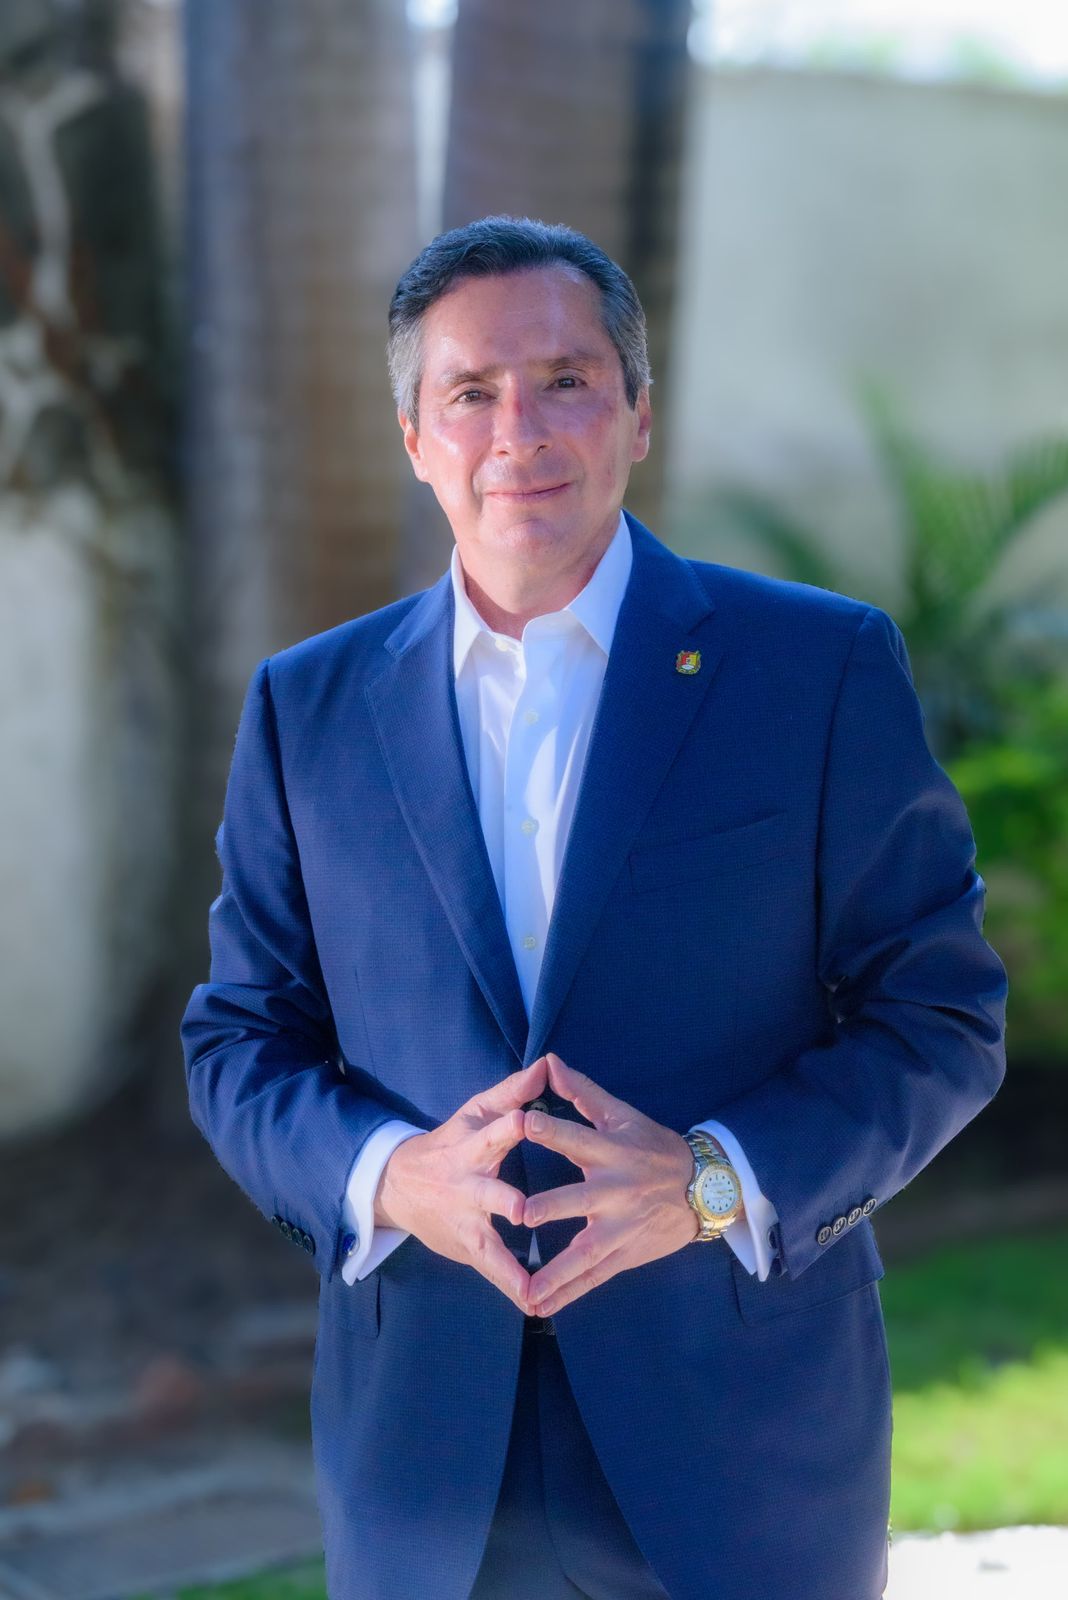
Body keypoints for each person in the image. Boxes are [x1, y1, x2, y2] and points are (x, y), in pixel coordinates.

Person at [180, 216, 1007, 1600]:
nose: (520, 431)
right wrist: (391, 1177)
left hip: (743, 1442)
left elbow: (941, 1015)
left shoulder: (816, 670)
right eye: (472, 391)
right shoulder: (305, 709)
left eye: (566, 380)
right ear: (416, 438)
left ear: (637, 415)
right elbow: (238, 1040)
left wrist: (710, 1182)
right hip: (426, 1461)